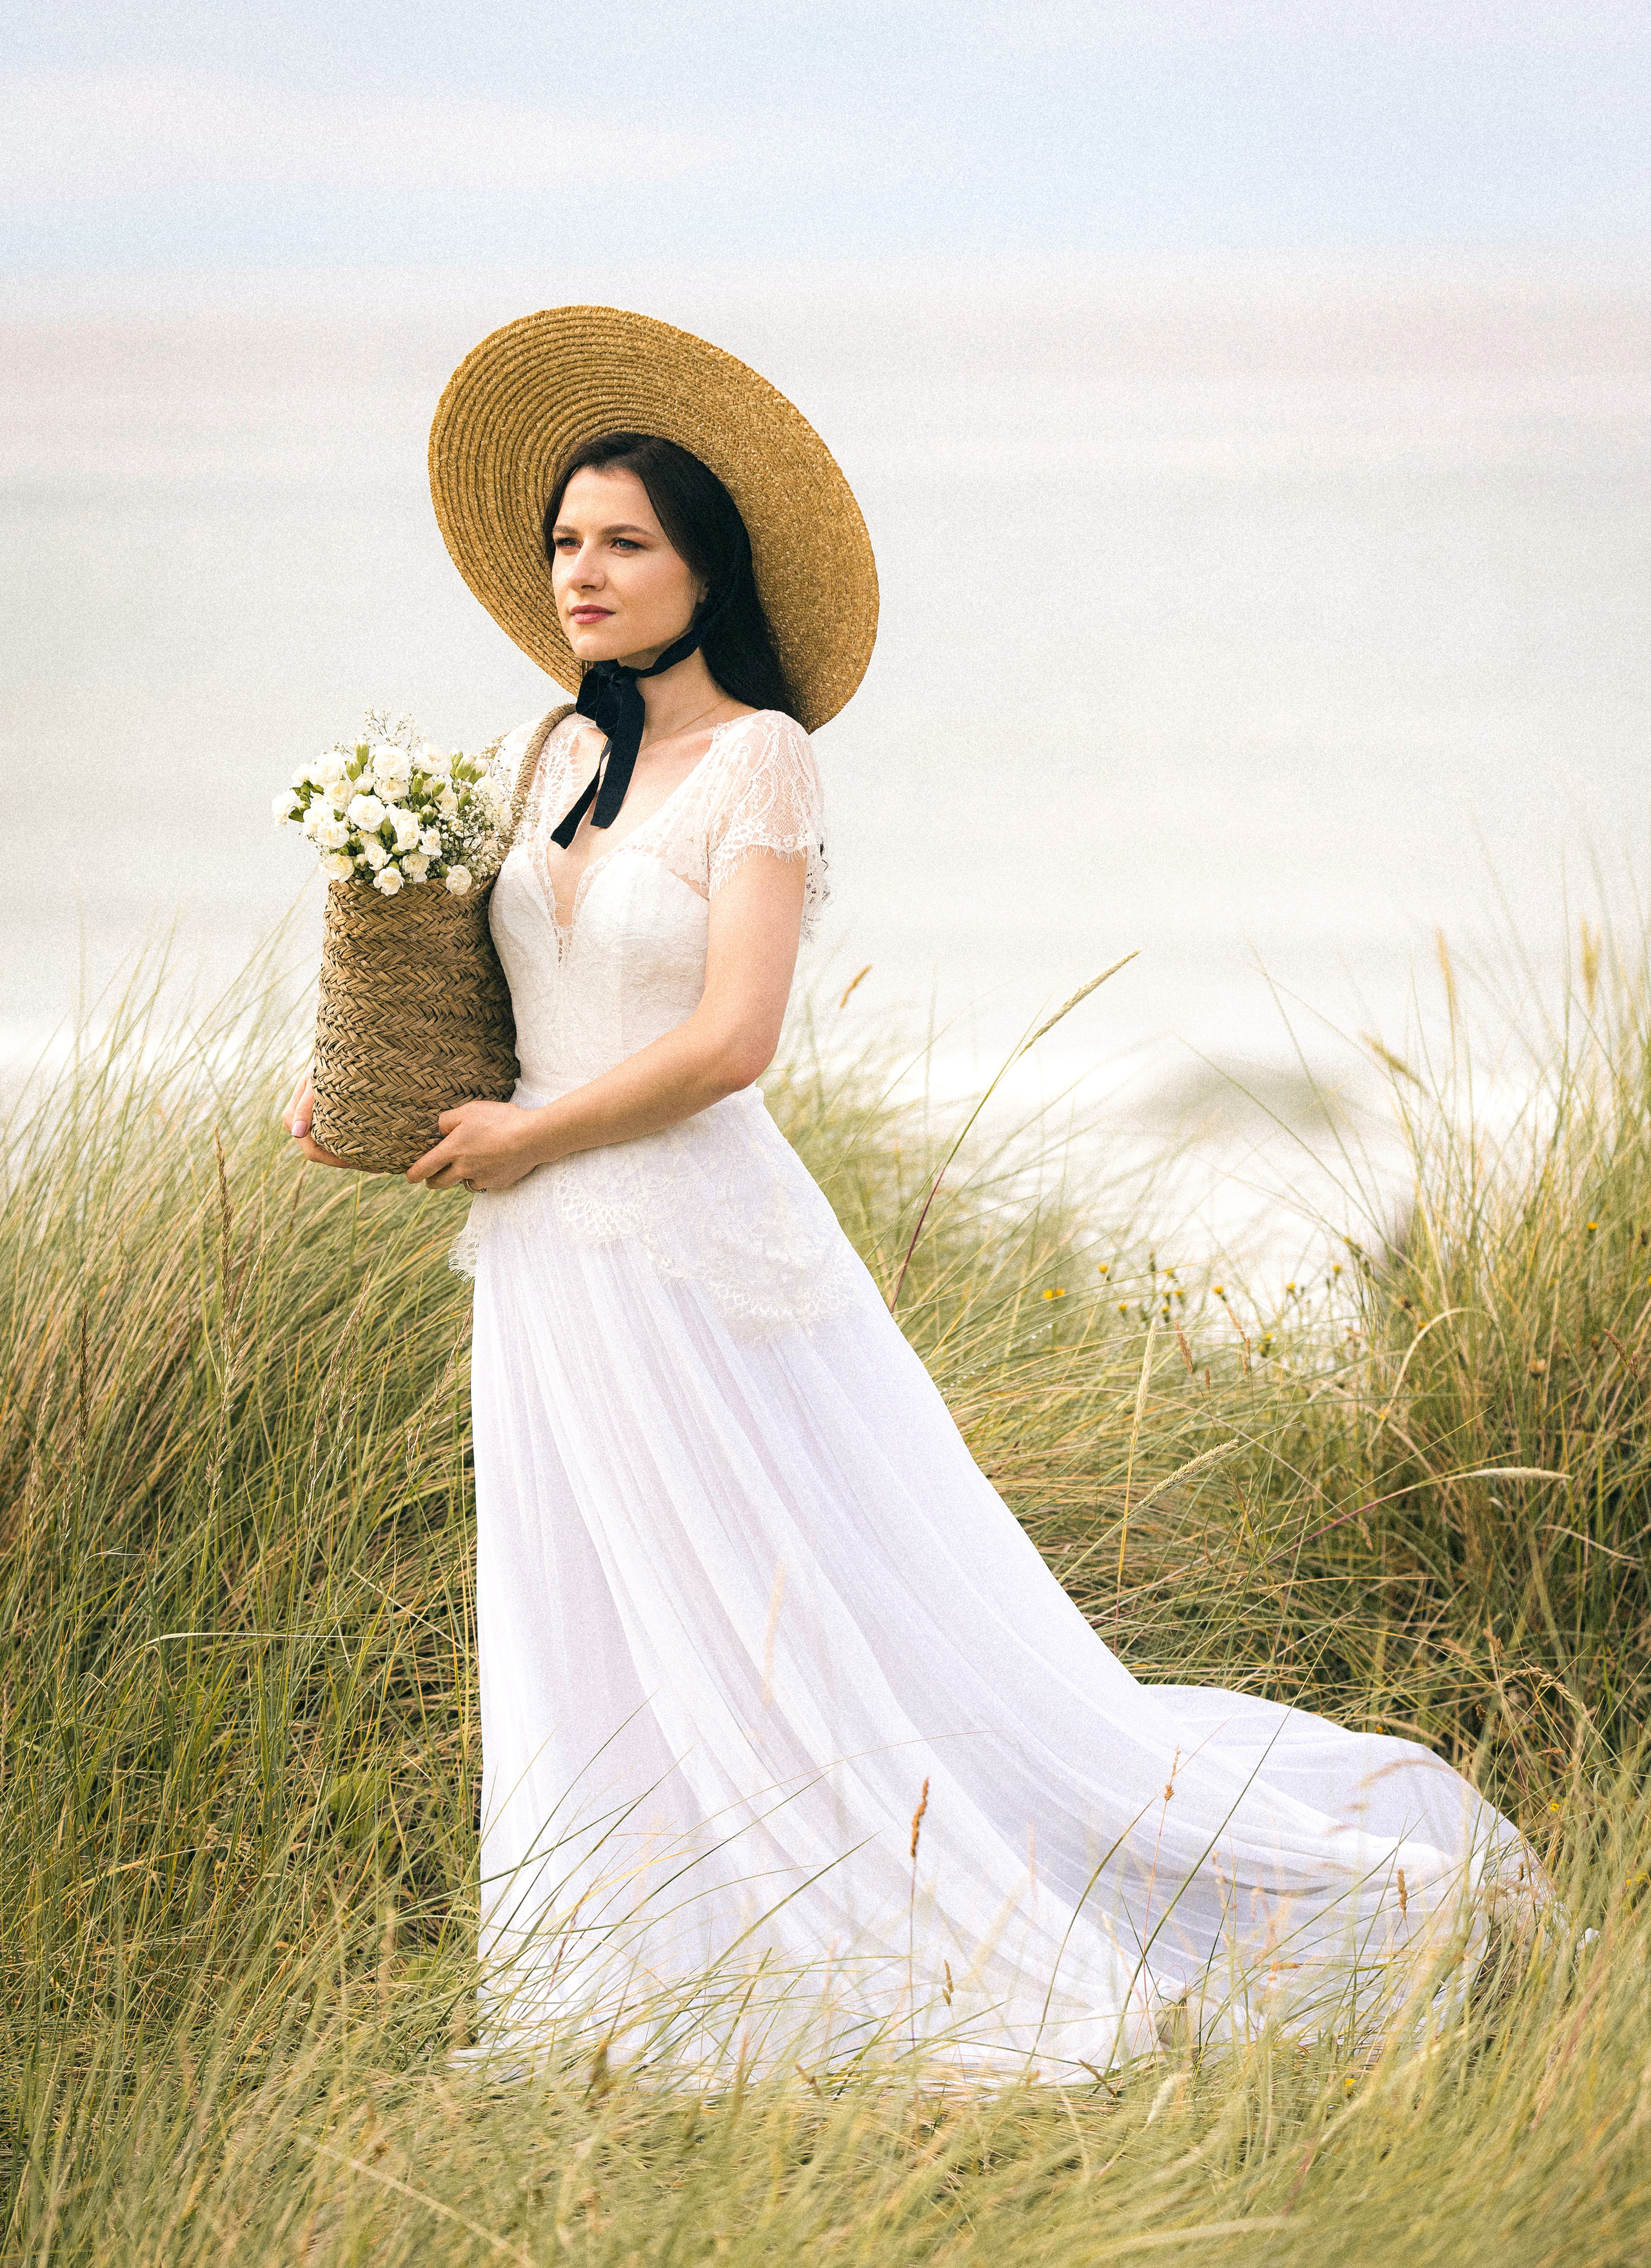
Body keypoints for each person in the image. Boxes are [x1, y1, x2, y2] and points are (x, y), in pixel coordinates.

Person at [288, 308, 1530, 2078]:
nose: (584, 570)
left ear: (705, 571)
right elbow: (489, 997)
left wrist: (533, 1139)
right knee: (595, 1593)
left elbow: (733, 1043)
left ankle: (952, 1911)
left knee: (780, 1598)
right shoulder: (535, 754)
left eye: (625, 540)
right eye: (567, 539)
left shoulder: (764, 761)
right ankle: (633, 1964)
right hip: (541, 1251)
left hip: (689, 1242)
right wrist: (364, 1086)